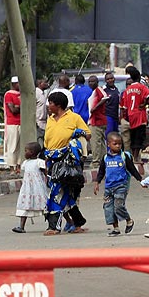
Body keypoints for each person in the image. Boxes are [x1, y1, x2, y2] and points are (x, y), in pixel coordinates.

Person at [43, 91, 91, 235]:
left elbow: (87, 134)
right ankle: (78, 223)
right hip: (52, 160)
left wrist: (77, 133)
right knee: (66, 195)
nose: (48, 105)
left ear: (58, 105)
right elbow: (48, 142)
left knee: (56, 193)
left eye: (51, 103)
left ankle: (53, 227)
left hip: (66, 162)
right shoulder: (50, 119)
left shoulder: (74, 118)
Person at [94, 132, 142, 236]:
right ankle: (116, 228)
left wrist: (140, 180)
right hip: (108, 187)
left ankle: (129, 220)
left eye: (119, 144)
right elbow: (101, 171)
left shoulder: (124, 156)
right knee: (109, 208)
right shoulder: (105, 158)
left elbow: (132, 169)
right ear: (108, 144)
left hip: (121, 186)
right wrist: (97, 183)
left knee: (118, 206)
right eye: (115, 144)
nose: (118, 146)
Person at [12, 142, 48, 233]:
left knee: (44, 207)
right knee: (25, 206)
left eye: (26, 151)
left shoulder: (39, 162)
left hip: (38, 188)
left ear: (32, 152)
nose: (24, 153)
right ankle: (21, 226)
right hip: (27, 189)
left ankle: (52, 225)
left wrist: (48, 180)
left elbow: (45, 172)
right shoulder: (25, 163)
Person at [119, 68, 149, 163]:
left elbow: (124, 106)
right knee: (139, 137)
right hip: (140, 116)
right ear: (138, 77)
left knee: (133, 137)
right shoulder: (142, 87)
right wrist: (144, 103)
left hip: (131, 116)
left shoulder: (127, 90)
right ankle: (135, 158)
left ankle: (133, 158)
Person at [87, 75, 108, 169]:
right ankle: (104, 160)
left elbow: (105, 97)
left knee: (95, 142)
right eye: (90, 82)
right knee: (101, 142)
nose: (91, 83)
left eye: (93, 81)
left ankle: (96, 161)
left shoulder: (99, 90)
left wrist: (95, 107)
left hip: (97, 120)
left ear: (97, 82)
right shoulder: (94, 92)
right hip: (96, 119)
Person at [4, 76, 21, 173]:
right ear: (14, 84)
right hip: (12, 123)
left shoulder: (22, 94)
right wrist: (19, 106)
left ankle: (18, 166)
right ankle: (11, 167)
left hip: (21, 122)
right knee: (12, 146)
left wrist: (18, 107)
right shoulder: (9, 95)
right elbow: (13, 110)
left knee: (20, 146)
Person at [103, 72, 120, 137]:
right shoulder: (104, 90)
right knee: (109, 135)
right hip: (108, 116)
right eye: (108, 79)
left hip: (115, 116)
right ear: (105, 81)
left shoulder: (116, 89)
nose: (110, 80)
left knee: (115, 135)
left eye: (111, 78)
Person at [35, 79, 49, 148]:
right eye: (45, 82)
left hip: (45, 123)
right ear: (40, 83)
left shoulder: (44, 93)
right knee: (39, 144)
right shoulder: (36, 93)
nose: (47, 84)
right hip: (38, 122)